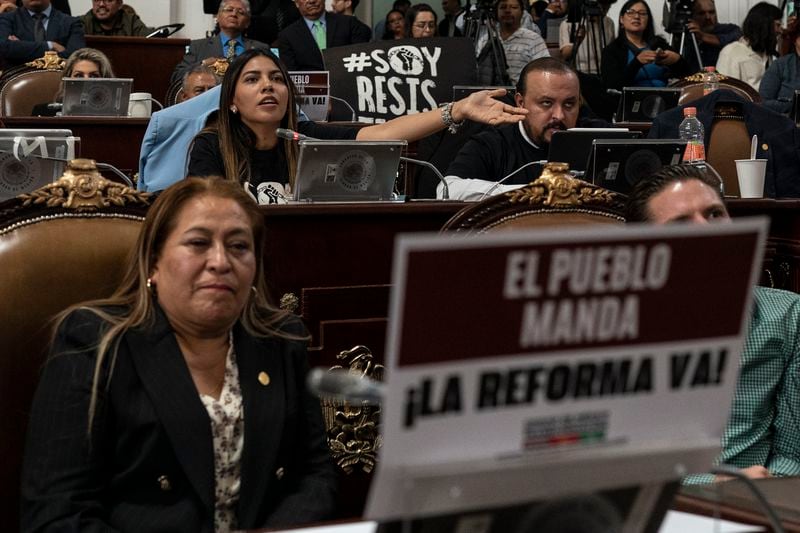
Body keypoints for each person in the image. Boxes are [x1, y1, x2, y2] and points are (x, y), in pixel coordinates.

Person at [21, 177, 338, 531]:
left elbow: (314, 475)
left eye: (238, 246)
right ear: (154, 261)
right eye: (199, 243)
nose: (220, 261)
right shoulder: (93, 342)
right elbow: (57, 514)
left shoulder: (282, 339)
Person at [625, 163, 800, 482]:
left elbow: (794, 453)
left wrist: (763, 490)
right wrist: (709, 486)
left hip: (760, 501)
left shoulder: (788, 315)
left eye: (714, 214)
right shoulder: (618, 329)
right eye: (680, 224)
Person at [187, 48, 528, 204]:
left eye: (277, 79)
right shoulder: (210, 146)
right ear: (231, 100)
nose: (268, 86)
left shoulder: (306, 139)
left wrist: (457, 110)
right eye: (252, 79)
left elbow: (383, 134)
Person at [440, 57, 583, 200]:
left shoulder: (596, 139)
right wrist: (535, 192)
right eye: (546, 103)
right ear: (520, 103)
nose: (559, 115)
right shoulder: (493, 144)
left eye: (569, 104)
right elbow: (447, 191)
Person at [172, 0, 269, 84]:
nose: (234, 14)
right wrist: (203, 64)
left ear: (248, 22)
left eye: (241, 12)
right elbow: (176, 77)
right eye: (229, 10)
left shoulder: (260, 47)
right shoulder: (198, 46)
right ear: (217, 17)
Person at [601, 0, 690, 90]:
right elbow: (612, 86)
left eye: (642, 13)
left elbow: (688, 75)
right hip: (632, 101)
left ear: (648, 20)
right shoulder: (612, 50)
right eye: (630, 12)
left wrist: (677, 60)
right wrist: (637, 63)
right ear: (621, 19)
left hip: (666, 98)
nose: (636, 16)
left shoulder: (659, 43)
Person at [276, 0, 371, 71]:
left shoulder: (349, 24)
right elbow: (291, 74)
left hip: (346, 87)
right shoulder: (287, 36)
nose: (311, 1)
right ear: (296, 3)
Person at [717, 2, 782, 91]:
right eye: (777, 25)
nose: (780, 31)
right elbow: (725, 93)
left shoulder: (767, 54)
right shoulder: (731, 52)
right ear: (765, 25)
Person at [31, 46, 114, 116]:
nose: (86, 81)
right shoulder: (43, 113)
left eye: (93, 76)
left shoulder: (115, 115)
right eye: (79, 76)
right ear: (67, 79)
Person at [0, 0, 85, 66]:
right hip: (16, 81)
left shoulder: (71, 23)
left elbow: (75, 57)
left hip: (58, 81)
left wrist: (21, 48)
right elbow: (4, 48)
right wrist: (50, 45)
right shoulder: (6, 19)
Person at [497, 0, 549, 84]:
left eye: (514, 7)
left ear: (522, 13)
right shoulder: (487, 37)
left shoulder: (534, 39)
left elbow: (544, 70)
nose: (507, 11)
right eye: (503, 7)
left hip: (521, 92)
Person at [681, 0, 741, 72]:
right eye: (701, 13)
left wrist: (702, 36)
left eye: (711, 12)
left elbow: (730, 41)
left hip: (721, 80)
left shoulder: (730, 29)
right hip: (692, 81)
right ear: (692, 16)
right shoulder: (685, 36)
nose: (708, 17)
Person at [559, 0, 615, 75]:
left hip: (605, 71)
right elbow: (566, 55)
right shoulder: (568, 24)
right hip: (581, 72)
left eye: (607, 7)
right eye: (601, 6)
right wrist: (578, 40)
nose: (603, 10)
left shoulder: (609, 22)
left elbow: (612, 50)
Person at [759, 23, 800, 115]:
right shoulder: (781, 65)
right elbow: (763, 102)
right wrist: (793, 105)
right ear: (795, 40)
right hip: (787, 124)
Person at [79, 0, 153, 36]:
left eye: (108, 0)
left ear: (120, 4)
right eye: (97, 0)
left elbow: (149, 40)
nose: (101, 4)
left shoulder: (131, 22)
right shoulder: (83, 23)